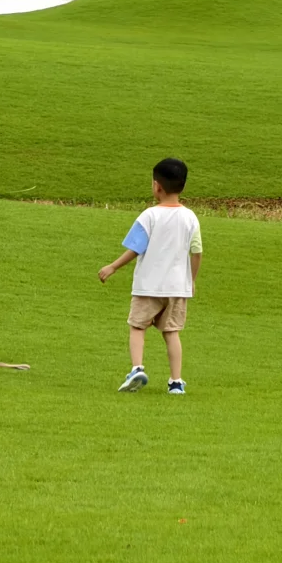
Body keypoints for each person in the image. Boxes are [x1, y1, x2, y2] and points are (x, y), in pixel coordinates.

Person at [98, 158, 202, 394]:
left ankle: (137, 368)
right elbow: (196, 252)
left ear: (157, 186)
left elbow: (136, 248)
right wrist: (191, 280)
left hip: (148, 285)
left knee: (137, 326)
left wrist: (113, 267)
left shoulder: (149, 216)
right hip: (177, 288)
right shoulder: (191, 218)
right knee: (171, 332)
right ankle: (176, 382)